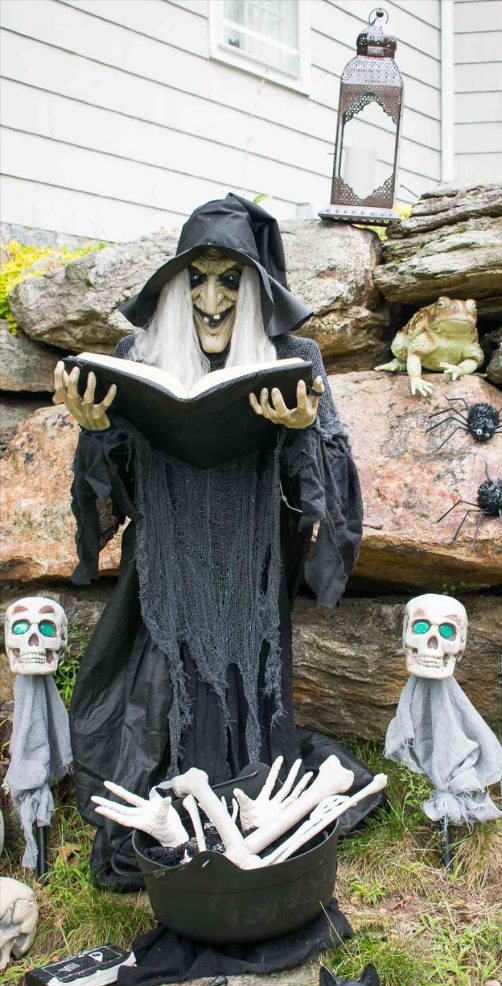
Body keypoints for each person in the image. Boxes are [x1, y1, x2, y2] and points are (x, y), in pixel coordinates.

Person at [56, 194, 377, 888]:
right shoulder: (137, 355)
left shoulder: (294, 358)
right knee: (155, 704)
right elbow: (114, 493)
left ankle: (241, 802)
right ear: (175, 286)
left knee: (245, 705)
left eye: (230, 280)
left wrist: (300, 432)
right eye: (196, 279)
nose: (211, 299)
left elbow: (325, 492)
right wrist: (96, 430)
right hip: (163, 567)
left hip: (251, 569)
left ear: (255, 287)